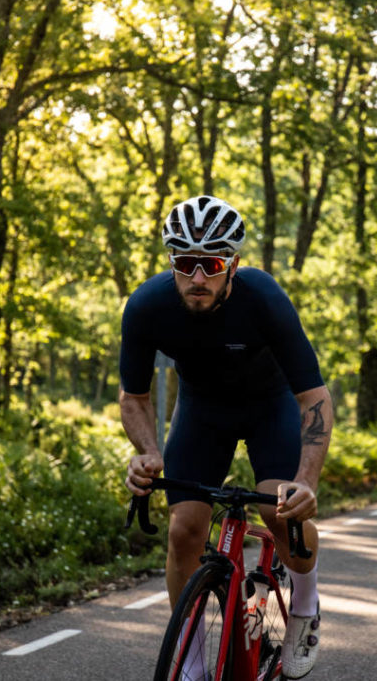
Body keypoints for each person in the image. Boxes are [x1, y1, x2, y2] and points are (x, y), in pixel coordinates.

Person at [120, 195, 333, 680]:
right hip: (202, 411)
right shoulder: (147, 306)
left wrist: (306, 480)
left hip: (270, 405)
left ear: (233, 265)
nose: (198, 278)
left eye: (212, 264)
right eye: (186, 263)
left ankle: (305, 604)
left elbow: (315, 398)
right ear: (172, 262)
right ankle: (193, 663)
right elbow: (133, 396)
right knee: (182, 530)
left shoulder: (263, 297)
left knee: (276, 509)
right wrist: (148, 453)